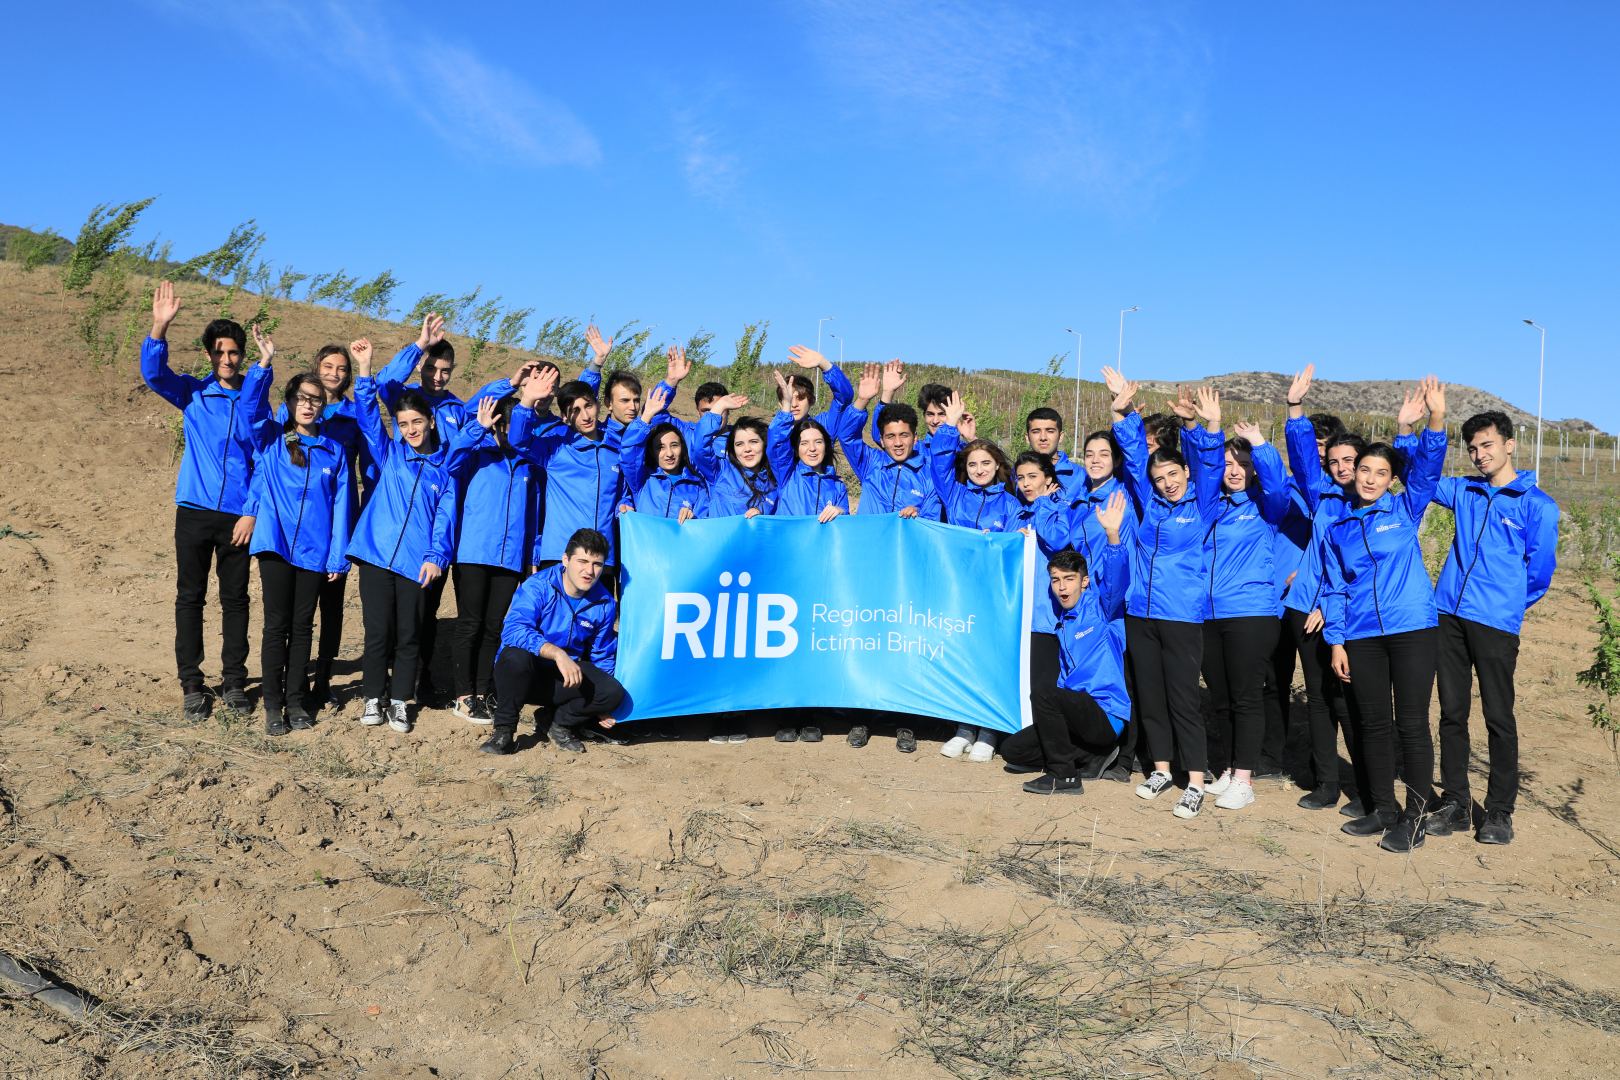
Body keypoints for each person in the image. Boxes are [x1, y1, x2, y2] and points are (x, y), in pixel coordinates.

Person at [1286, 375, 1427, 815]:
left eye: (1352, 461)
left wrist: (1407, 430)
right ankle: (1330, 784)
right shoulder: (1325, 497)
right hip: (1316, 610)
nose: (1344, 468)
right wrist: (1295, 409)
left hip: (1359, 616)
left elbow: (1417, 473)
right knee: (1322, 701)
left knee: (1359, 708)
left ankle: (1370, 791)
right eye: (1336, 462)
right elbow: (1302, 460)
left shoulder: (1391, 506)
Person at [1323, 377, 1449, 854]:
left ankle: (1415, 817)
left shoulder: (1405, 508)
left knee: (1411, 723)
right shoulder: (1339, 527)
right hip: (1361, 635)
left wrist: (1430, 421)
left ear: (1392, 479)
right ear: (1353, 473)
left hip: (1412, 629)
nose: (1370, 479)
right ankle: (1383, 808)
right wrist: (1337, 640)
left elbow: (1428, 468)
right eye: (1364, 470)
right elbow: (1335, 586)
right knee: (1373, 723)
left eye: (1380, 472)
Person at [140, 280, 273, 721]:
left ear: (242, 355)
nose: (227, 359)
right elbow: (154, 374)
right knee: (190, 597)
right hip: (194, 512)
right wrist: (159, 328)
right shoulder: (193, 394)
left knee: (235, 600)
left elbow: (264, 460)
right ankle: (192, 684)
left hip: (237, 518)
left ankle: (234, 682)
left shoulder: (256, 404)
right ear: (209, 355)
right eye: (219, 352)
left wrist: (251, 512)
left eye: (234, 352)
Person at [1426, 410, 1560, 846]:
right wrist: (1419, 427)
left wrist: (1507, 605)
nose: (1479, 455)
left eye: (1487, 445)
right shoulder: (1464, 491)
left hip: (1495, 623)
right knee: (1452, 713)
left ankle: (1499, 811)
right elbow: (1421, 478)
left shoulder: (1537, 505)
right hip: (1449, 616)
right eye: (1472, 448)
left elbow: (1539, 572)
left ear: (1509, 445)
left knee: (1498, 717)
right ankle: (1456, 802)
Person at [1104, 368, 1225, 820]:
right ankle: (1159, 769)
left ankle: (1194, 782)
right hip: (1141, 612)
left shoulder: (1202, 503)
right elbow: (1136, 456)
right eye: (1160, 478)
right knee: (1151, 697)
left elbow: (1211, 465)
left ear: (1186, 472)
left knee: (1183, 700)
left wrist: (1206, 424)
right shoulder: (1149, 502)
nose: (1167, 483)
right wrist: (1122, 413)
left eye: (1173, 474)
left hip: (1181, 616)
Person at [346, 340, 460, 734]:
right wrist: (364, 369)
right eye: (404, 424)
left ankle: (398, 702)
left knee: (409, 636)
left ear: (431, 422)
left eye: (417, 422)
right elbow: (366, 415)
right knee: (378, 633)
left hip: (416, 563)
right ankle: (372, 697)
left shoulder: (444, 471)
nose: (411, 430)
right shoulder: (389, 454)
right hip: (377, 556)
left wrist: (436, 557)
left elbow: (445, 519)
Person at [234, 368, 352, 735]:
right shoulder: (272, 439)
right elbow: (249, 408)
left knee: (302, 628)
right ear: (289, 403)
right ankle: (273, 704)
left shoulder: (334, 451)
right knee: (276, 626)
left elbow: (341, 507)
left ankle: (296, 700)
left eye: (315, 400)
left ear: (323, 406)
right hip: (276, 544)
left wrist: (338, 556)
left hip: (315, 551)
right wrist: (263, 367)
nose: (308, 405)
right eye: (301, 398)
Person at [444, 363, 560, 725]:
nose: (513, 432)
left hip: (511, 558)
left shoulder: (528, 465)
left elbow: (535, 514)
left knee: (495, 626)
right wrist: (477, 428)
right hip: (473, 553)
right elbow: (450, 461)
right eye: (506, 425)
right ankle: (463, 695)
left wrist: (533, 555)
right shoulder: (475, 454)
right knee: (470, 624)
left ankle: (482, 691)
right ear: (496, 424)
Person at [1000, 493, 1132, 794]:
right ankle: (1091, 757)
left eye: (1069, 579)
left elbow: (1116, 579)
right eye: (1056, 580)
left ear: (1084, 582)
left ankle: (1065, 777)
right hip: (1075, 719)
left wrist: (1113, 535)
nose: (1062, 587)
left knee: (1044, 693)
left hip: (1104, 714)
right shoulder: (1062, 624)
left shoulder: (1102, 610)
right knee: (1013, 751)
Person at [1200, 421, 1292, 812]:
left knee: (1246, 697)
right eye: (1227, 463)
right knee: (1221, 699)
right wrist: (1205, 429)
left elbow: (1279, 487)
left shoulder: (1266, 508)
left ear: (1254, 469)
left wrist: (1259, 445)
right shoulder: (1210, 505)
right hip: (1209, 614)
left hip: (1251, 613)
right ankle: (1229, 767)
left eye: (1243, 463)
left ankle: (1244, 778)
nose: (1234, 470)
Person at [925, 391, 1021, 760]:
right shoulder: (955, 495)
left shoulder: (1011, 504)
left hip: (994, 594)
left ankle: (989, 731)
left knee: (990, 659)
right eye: (973, 464)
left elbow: (1014, 549)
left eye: (986, 463)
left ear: (998, 466)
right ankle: (964, 726)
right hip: (959, 590)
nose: (979, 469)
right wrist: (949, 428)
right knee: (962, 656)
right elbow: (938, 463)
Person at [376, 313, 462, 704]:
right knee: (393, 608)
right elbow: (382, 384)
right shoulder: (406, 398)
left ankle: (420, 677)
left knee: (427, 606)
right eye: (431, 368)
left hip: (439, 514)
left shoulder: (457, 409)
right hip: (399, 516)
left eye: (445, 371)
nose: (437, 377)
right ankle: (388, 675)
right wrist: (418, 346)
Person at [274, 342, 361, 710]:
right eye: (327, 366)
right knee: (295, 613)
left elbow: (368, 464)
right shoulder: (294, 408)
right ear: (316, 367)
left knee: (332, 607)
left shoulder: (355, 415)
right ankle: (290, 680)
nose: (334, 374)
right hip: (297, 522)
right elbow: (273, 452)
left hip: (337, 518)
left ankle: (322, 679)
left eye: (341, 368)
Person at [483, 529, 623, 756]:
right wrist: (557, 653)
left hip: (563, 678)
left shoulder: (605, 602)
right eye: (582, 561)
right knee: (514, 656)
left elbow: (603, 654)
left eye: (597, 564)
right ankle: (504, 731)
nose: (589, 571)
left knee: (612, 692)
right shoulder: (538, 586)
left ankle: (556, 723)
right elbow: (513, 630)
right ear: (565, 560)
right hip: (525, 673)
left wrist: (602, 704)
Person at [764, 400, 851, 744]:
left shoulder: (837, 485)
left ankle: (812, 714)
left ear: (827, 446)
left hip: (823, 572)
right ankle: (787, 714)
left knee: (815, 641)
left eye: (818, 442)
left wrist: (841, 513)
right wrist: (786, 411)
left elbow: (846, 529)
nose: (812, 448)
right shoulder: (786, 474)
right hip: (789, 569)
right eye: (804, 443)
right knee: (787, 642)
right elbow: (775, 440)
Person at [509, 380, 628, 590]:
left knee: (600, 612)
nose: (585, 416)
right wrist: (527, 401)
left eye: (588, 405)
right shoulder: (556, 449)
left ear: (597, 404)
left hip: (602, 557)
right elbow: (519, 440)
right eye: (575, 410)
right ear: (565, 417)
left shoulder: (615, 450)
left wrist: (625, 504)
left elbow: (623, 493)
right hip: (561, 554)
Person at [840, 366, 943, 519]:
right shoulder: (870, 463)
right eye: (890, 436)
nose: (898, 443)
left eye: (904, 435)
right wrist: (862, 400)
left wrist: (918, 515)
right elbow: (847, 436)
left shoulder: (929, 475)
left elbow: (932, 518)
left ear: (915, 438)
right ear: (881, 440)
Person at [618, 386, 712, 521]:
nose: (669, 454)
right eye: (660, 447)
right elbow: (629, 453)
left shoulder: (697, 486)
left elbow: (704, 523)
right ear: (652, 451)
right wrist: (645, 417)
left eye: (674, 445)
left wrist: (693, 518)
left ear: (683, 448)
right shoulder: (642, 480)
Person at [1024, 407, 1086, 498]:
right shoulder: (1016, 476)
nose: (1043, 437)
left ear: (1060, 437)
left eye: (1050, 431)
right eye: (1036, 431)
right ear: (1027, 438)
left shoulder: (1079, 475)